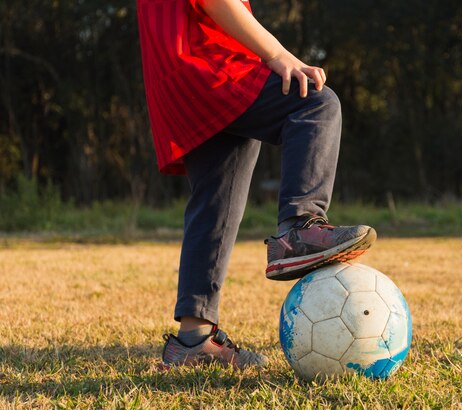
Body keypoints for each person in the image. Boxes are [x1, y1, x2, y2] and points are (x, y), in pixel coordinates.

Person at [136, 0, 377, 370]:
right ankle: (299, 228)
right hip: (207, 62)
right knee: (314, 103)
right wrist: (277, 53)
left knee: (217, 198)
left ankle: (192, 340)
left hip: (176, 74)